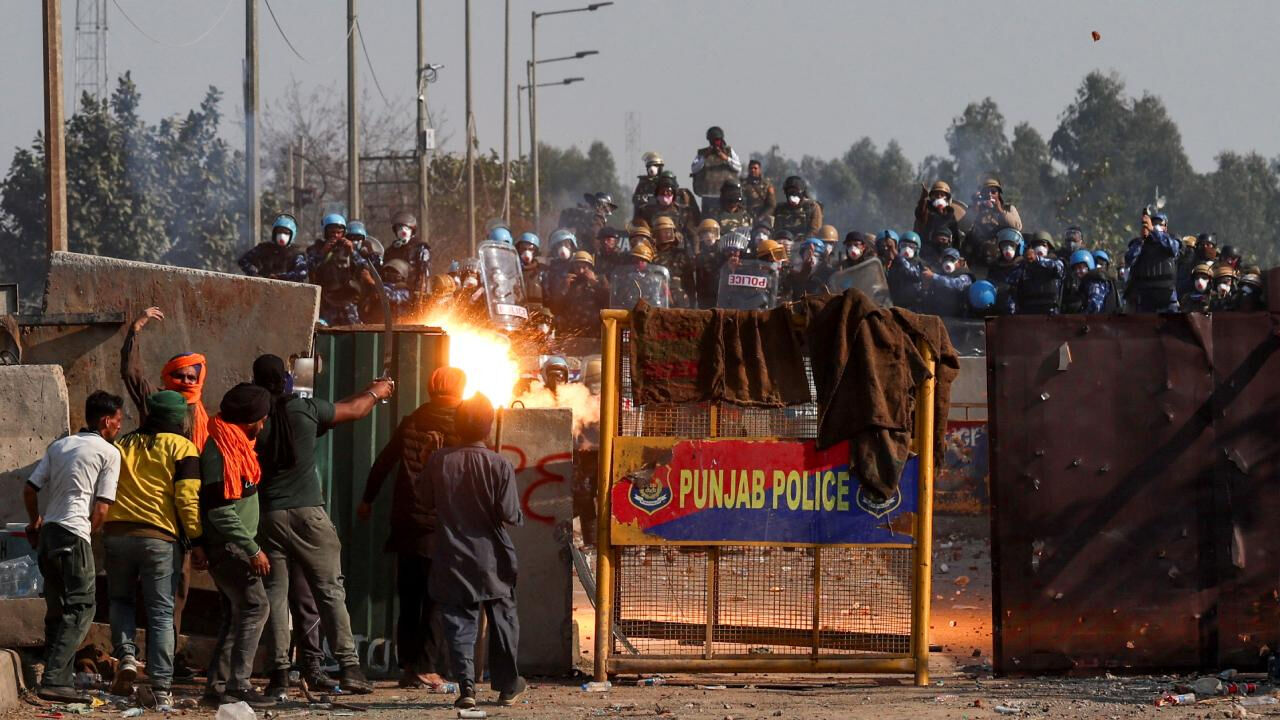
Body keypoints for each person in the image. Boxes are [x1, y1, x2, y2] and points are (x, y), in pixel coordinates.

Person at [251, 355, 395, 698]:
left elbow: (336, 407)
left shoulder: (254, 418)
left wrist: (365, 390)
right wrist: (376, 393)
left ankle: (279, 675)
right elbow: (354, 411)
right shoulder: (303, 411)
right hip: (308, 516)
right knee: (330, 592)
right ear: (285, 379)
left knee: (274, 597)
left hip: (268, 516)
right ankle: (349, 669)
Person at [359, 367, 465, 690]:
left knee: (410, 597)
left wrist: (367, 499)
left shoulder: (412, 420)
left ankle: (409, 666)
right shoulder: (463, 422)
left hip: (406, 523)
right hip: (440, 525)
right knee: (437, 600)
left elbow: (384, 461)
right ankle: (427, 668)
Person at [119, 307, 209, 679]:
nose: (187, 381)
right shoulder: (156, 405)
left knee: (176, 595)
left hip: (183, 519)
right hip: (161, 516)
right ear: (168, 378)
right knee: (152, 597)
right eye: (181, 376)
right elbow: (132, 374)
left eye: (192, 376)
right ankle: (156, 669)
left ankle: (163, 664)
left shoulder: (204, 416)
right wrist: (135, 332)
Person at [421, 393, 527, 710]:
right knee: (503, 619)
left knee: (458, 621)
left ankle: (466, 686)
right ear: (488, 427)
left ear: (457, 424)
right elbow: (510, 513)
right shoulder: (500, 464)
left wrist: (430, 456)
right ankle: (508, 685)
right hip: (494, 558)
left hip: (452, 556)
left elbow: (424, 498)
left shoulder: (439, 460)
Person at [23, 391, 124, 703]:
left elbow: (30, 488)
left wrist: (35, 521)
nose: (119, 427)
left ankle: (59, 678)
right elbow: (103, 510)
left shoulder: (60, 446)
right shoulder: (109, 452)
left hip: (49, 533)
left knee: (58, 610)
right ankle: (55, 678)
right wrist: (87, 533)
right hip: (73, 534)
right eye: (119, 421)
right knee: (81, 607)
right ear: (106, 421)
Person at [105, 390, 204, 706]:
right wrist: (197, 539)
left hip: (117, 534)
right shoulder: (182, 447)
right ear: (179, 418)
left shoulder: (122, 444)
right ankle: (161, 688)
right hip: (159, 539)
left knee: (120, 600)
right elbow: (187, 499)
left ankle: (127, 659)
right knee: (161, 611)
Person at [199, 384, 276, 708]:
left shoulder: (237, 445)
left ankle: (217, 687)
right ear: (250, 419)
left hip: (233, 544)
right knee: (256, 606)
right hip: (230, 546)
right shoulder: (219, 450)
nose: (265, 422)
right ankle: (238, 685)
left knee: (237, 613)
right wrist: (251, 548)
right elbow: (218, 509)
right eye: (262, 417)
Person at [959, 177, 1022, 273]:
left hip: (1002, 254)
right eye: (986, 192)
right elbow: (963, 227)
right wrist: (975, 209)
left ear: (999, 194)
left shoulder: (1008, 208)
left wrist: (1000, 210)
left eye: (993, 192)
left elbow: (1017, 226)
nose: (990, 195)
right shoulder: (975, 208)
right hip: (978, 254)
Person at [1125, 211, 1181, 313]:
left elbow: (1174, 249)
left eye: (1160, 224)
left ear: (1166, 227)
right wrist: (1142, 239)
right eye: (1154, 223)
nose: (1156, 226)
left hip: (1167, 298)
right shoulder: (1140, 243)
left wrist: (1154, 231)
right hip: (1146, 299)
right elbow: (1129, 259)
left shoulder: (1172, 240)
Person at [554, 251, 610, 337]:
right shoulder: (569, 282)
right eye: (577, 267)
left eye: (584, 267)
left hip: (594, 331)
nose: (581, 271)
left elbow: (608, 300)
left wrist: (594, 283)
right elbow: (556, 307)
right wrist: (564, 288)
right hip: (573, 331)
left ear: (591, 268)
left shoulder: (601, 280)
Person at [383, 212, 432, 311]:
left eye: (406, 228)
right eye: (399, 228)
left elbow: (424, 272)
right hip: (391, 286)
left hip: (411, 289)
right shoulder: (390, 250)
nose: (402, 230)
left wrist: (419, 292)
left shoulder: (420, 248)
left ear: (412, 230)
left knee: (390, 297)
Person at [239, 214, 309, 282]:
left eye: (286, 233)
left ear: (292, 235)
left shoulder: (296, 254)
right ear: (274, 233)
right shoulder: (264, 248)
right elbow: (243, 260)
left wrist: (280, 277)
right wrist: (255, 274)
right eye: (279, 232)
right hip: (262, 287)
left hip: (287, 291)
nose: (282, 235)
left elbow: (302, 273)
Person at [1007, 234, 1065, 315]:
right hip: (1028, 314)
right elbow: (1012, 284)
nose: (1040, 248)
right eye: (1036, 245)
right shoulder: (1023, 266)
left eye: (1044, 245)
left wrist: (1038, 259)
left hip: (1051, 314)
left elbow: (1059, 269)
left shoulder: (1056, 262)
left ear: (1049, 248)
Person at [690, 126, 742, 215]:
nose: (715, 143)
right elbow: (694, 168)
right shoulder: (702, 153)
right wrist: (704, 157)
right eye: (713, 140)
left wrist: (726, 158)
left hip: (727, 197)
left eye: (717, 140)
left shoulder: (729, 151)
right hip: (708, 195)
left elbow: (738, 167)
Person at [653, 216, 695, 308]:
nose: (665, 235)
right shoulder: (651, 255)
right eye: (661, 232)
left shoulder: (680, 255)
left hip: (679, 300)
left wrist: (691, 303)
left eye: (668, 231)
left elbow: (689, 283)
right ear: (655, 234)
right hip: (656, 297)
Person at [913, 180, 965, 253]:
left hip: (946, 252)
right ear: (931, 197)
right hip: (926, 251)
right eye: (936, 195)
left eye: (942, 195)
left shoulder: (950, 215)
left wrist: (956, 253)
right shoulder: (926, 211)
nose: (939, 197)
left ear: (947, 198)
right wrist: (923, 198)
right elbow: (919, 213)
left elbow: (955, 236)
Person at [921, 248, 973, 317]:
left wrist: (934, 276)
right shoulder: (937, 273)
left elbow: (958, 285)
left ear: (959, 262)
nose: (948, 262)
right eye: (945, 259)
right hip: (937, 313)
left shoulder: (965, 274)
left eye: (952, 260)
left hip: (958, 315)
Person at [1061, 250, 1115, 315]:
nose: (1078, 271)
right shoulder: (1085, 283)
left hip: (1100, 321)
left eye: (1081, 267)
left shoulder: (1095, 282)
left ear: (1089, 266)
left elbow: (1095, 306)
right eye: (1075, 269)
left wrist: (1079, 318)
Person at [986, 228, 1024, 314]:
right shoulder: (995, 267)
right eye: (1004, 245)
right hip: (996, 310)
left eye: (1012, 245)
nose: (1008, 248)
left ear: (1018, 247)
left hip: (1017, 312)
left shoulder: (1023, 266)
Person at [886, 232, 926, 311]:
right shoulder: (895, 263)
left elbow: (913, 273)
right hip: (893, 305)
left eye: (912, 247)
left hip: (913, 308)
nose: (907, 249)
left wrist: (896, 254)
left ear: (917, 249)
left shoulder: (920, 264)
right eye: (904, 245)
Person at [307, 214, 349, 279]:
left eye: (339, 232)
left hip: (345, 286)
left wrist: (352, 251)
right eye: (332, 232)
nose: (336, 235)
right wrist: (322, 252)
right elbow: (308, 267)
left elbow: (361, 265)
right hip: (323, 286)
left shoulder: (348, 246)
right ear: (326, 232)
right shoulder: (317, 247)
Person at [515, 232, 547, 309]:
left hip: (538, 311)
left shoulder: (542, 270)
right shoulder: (513, 269)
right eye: (523, 249)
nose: (527, 252)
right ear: (518, 250)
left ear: (535, 252)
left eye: (531, 249)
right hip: (518, 310)